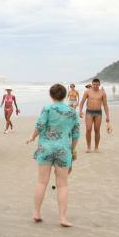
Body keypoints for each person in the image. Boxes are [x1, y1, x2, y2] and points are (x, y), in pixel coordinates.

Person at [26, 84, 80, 227]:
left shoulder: (47, 109)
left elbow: (40, 125)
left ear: (51, 95)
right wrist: (72, 150)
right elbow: (76, 134)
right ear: (65, 95)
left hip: (46, 148)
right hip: (63, 150)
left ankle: (36, 213)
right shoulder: (72, 112)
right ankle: (62, 218)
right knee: (62, 185)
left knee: (41, 182)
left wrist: (32, 136)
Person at [78, 78, 110, 153]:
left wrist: (108, 116)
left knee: (97, 130)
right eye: (94, 84)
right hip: (89, 112)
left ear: (99, 84)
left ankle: (96, 147)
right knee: (88, 129)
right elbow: (82, 102)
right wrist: (80, 111)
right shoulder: (87, 92)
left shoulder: (102, 93)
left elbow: (105, 105)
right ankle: (88, 147)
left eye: (97, 84)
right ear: (92, 84)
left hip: (98, 113)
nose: (95, 86)